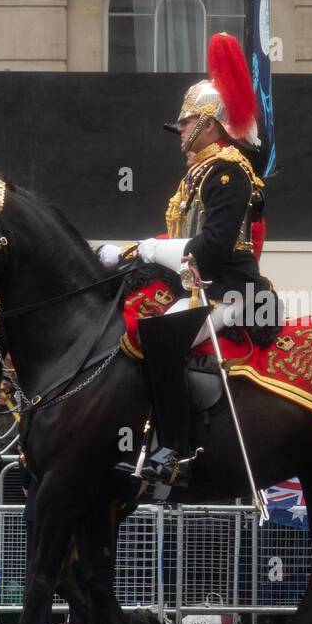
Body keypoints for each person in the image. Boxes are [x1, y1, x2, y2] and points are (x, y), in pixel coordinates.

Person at [118, 32, 277, 486]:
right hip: (203, 286)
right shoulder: (202, 173)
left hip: (233, 291)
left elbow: (210, 248)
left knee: (161, 335)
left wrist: (148, 249)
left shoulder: (227, 170)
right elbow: (180, 239)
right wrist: (130, 251)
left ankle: (175, 451)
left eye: (186, 124)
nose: (181, 133)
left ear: (209, 123)